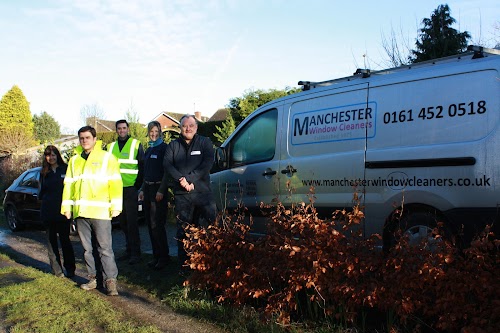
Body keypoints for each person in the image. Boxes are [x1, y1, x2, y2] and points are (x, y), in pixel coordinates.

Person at [62, 125, 122, 296]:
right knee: (87, 250)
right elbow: (69, 185)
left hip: (101, 212)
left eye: (87, 137)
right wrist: (67, 208)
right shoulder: (74, 160)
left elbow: (115, 183)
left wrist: (116, 206)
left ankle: (110, 282)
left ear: (95, 139)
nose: (84, 141)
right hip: (81, 213)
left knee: (105, 249)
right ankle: (94, 279)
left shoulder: (107, 158)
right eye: (81, 138)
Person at [163, 114, 217, 272]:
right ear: (180, 128)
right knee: (184, 232)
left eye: (191, 125)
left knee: (208, 229)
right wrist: (181, 179)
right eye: (184, 126)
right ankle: (185, 269)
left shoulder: (204, 142)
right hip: (182, 197)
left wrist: (191, 180)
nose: (188, 128)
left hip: (203, 195)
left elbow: (207, 163)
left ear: (196, 127)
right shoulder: (173, 145)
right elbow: (167, 164)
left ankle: (208, 267)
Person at [107, 120, 144, 265]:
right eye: (119, 128)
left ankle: (136, 253)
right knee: (122, 222)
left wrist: (137, 186)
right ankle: (129, 250)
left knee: (132, 222)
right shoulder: (110, 147)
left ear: (128, 129)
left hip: (130, 189)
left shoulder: (136, 144)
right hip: (116, 190)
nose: (121, 130)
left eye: (124, 128)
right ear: (116, 130)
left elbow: (142, 166)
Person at [138, 121, 172, 270]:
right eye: (151, 131)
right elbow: (146, 173)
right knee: (150, 225)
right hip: (148, 190)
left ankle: (164, 257)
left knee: (157, 225)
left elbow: (167, 172)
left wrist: (161, 190)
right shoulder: (149, 150)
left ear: (160, 132)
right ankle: (156, 256)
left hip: (159, 190)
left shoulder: (164, 148)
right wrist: (141, 189)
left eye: (156, 131)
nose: (153, 134)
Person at [39, 145, 76, 278]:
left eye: (53, 155)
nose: (51, 158)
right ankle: (57, 270)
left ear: (57, 155)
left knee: (65, 241)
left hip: (63, 212)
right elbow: (41, 193)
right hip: (48, 212)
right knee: (51, 242)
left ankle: (70, 269)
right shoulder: (43, 173)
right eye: (48, 155)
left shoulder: (65, 169)